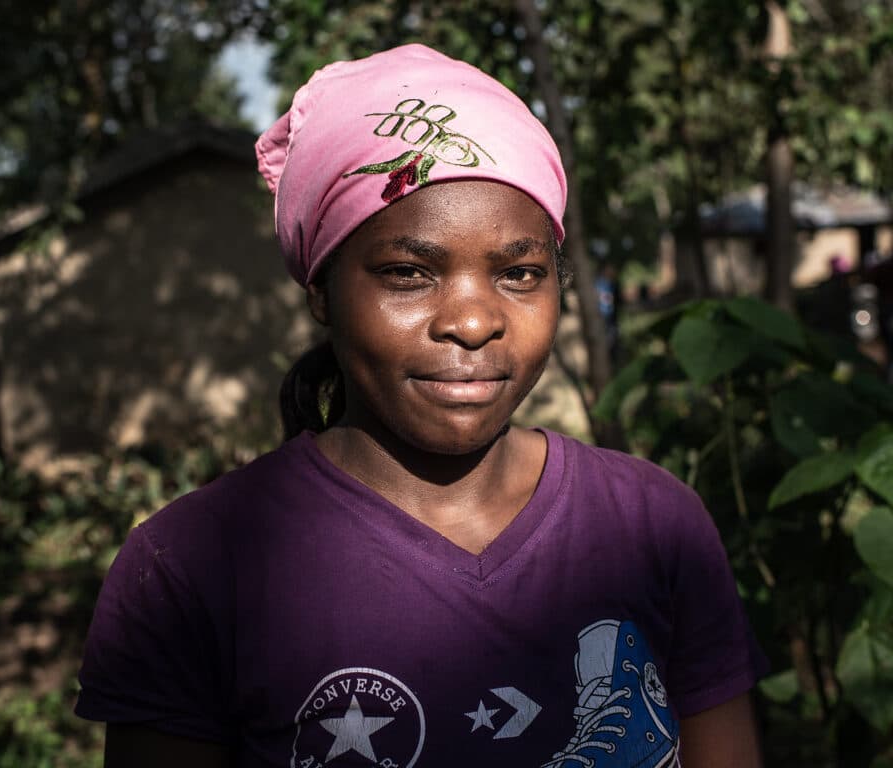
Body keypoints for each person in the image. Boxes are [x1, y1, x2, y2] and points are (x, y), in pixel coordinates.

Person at [75, 44, 767, 767]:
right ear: (321, 290)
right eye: (408, 273)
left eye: (520, 273)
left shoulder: (652, 524)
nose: (472, 321)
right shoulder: (190, 569)